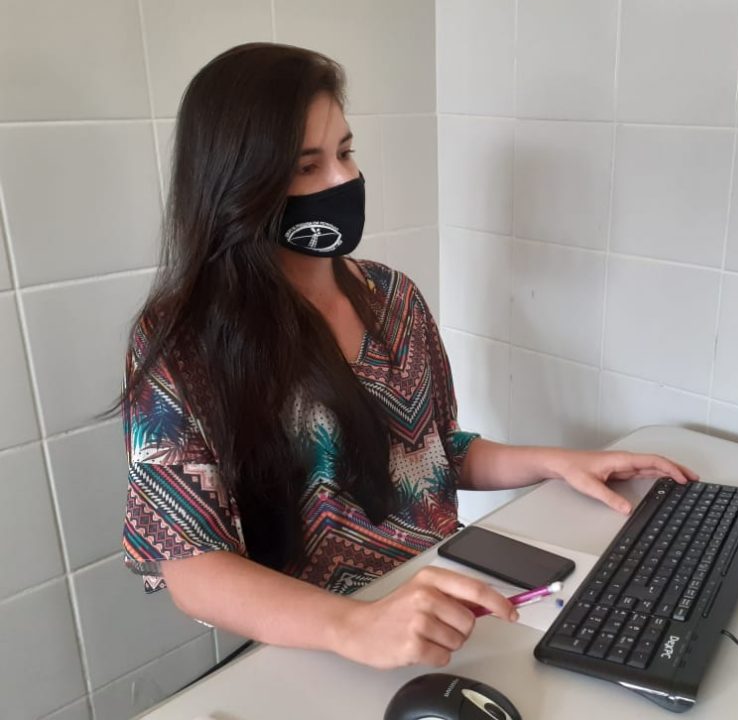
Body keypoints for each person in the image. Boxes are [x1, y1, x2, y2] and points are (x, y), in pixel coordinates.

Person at [120, 43, 696, 670]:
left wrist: (557, 462)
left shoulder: (392, 297)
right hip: (317, 647)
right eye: (307, 166)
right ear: (241, 185)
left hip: (441, 611)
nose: (341, 181)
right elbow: (191, 568)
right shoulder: (181, 343)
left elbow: (434, 452)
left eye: (345, 153)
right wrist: (354, 626)